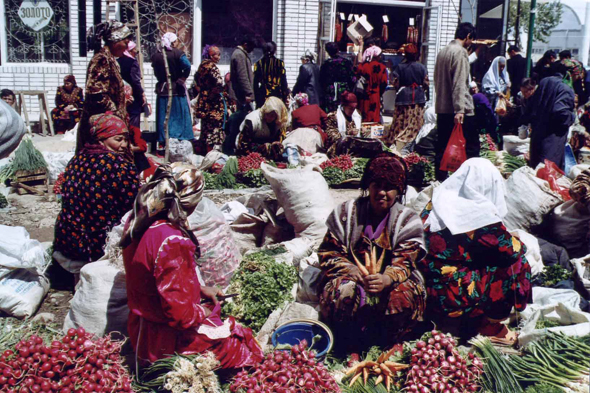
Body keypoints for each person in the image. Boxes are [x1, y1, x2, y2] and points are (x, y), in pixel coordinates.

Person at [120, 163, 264, 366]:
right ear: (192, 202)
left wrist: (199, 289)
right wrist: (204, 312)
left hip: (142, 328)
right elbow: (181, 317)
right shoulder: (171, 240)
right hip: (164, 343)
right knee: (243, 345)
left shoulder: (138, 222)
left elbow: (155, 281)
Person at [318, 153, 427, 352]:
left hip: (391, 281)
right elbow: (328, 252)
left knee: (401, 295)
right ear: (368, 186)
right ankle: (350, 344)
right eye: (377, 185)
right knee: (342, 292)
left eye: (390, 187)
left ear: (400, 190)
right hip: (353, 280)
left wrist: (387, 278)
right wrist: (349, 269)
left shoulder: (407, 220)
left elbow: (406, 261)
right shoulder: (346, 214)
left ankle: (391, 342)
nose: (382, 193)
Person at [419, 158, 531, 343]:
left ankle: (449, 322)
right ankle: (490, 325)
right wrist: (515, 240)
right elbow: (513, 250)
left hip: (429, 290)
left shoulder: (438, 201)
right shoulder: (479, 215)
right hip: (455, 298)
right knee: (518, 265)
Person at [53, 113, 139, 283]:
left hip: (68, 239)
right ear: (101, 138)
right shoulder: (120, 166)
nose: (124, 145)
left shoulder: (76, 160)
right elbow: (133, 207)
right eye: (118, 139)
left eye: (125, 139)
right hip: (98, 244)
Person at [433, 22, 479, 181]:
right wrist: (460, 109)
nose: (471, 43)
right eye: (471, 39)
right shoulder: (460, 52)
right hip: (459, 110)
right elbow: (459, 82)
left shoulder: (443, 51)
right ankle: (469, 182)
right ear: (468, 37)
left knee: (442, 148)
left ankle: (440, 182)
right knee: (472, 148)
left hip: (443, 107)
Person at [77, 21, 132, 153]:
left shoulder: (110, 60)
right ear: (115, 41)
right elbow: (96, 93)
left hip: (110, 126)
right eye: (125, 42)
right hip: (102, 128)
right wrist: (115, 113)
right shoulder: (101, 60)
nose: (127, 46)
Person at [525, 63, 575, 170]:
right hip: (552, 141)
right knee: (548, 177)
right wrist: (572, 117)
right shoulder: (564, 88)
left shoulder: (543, 83)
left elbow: (530, 107)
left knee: (536, 175)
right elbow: (560, 111)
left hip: (537, 138)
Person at [151, 32, 194, 150]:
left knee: (163, 116)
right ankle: (180, 139)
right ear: (173, 42)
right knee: (179, 116)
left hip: (162, 89)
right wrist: (183, 77)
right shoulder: (178, 54)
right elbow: (187, 66)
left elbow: (155, 70)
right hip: (176, 89)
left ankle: (162, 142)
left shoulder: (156, 55)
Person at [387, 44, 429, 147]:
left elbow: (395, 82)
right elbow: (426, 83)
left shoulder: (399, 67)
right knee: (416, 122)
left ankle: (399, 140)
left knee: (400, 123)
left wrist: (399, 88)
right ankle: (413, 142)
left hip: (403, 97)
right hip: (418, 97)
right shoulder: (422, 67)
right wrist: (424, 92)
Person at [193, 45, 229, 152]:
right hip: (213, 102)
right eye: (216, 55)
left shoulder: (202, 66)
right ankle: (210, 151)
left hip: (203, 100)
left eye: (219, 54)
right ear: (210, 55)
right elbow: (219, 82)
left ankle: (202, 149)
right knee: (213, 127)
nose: (218, 57)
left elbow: (196, 80)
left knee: (205, 125)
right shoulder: (212, 67)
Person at [225, 36, 256, 154]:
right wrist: (249, 93)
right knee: (239, 122)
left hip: (241, 95)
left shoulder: (240, 54)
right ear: (245, 44)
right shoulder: (239, 55)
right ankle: (231, 147)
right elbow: (242, 76)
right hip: (242, 96)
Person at [117, 41, 147, 129]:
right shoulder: (132, 63)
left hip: (120, 96)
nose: (136, 53)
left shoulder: (116, 62)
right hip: (133, 96)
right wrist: (142, 94)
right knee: (133, 122)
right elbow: (135, 81)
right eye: (135, 51)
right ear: (129, 51)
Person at [320, 42, 356, 113]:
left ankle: (331, 123)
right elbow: (353, 78)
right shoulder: (347, 62)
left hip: (330, 91)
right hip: (344, 90)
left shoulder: (326, 64)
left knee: (330, 112)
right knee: (343, 110)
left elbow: (321, 80)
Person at [324, 91, 362, 157]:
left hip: (354, 145)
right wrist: (347, 133)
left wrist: (362, 131)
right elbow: (331, 136)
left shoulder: (356, 115)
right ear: (344, 106)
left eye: (354, 109)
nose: (352, 111)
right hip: (338, 148)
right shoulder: (333, 117)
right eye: (350, 108)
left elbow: (358, 132)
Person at [253, 41, 289, 108]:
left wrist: (256, 98)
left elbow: (255, 83)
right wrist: (285, 96)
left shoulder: (258, 64)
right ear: (274, 50)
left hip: (263, 94)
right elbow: (283, 81)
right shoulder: (279, 63)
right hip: (277, 94)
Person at [357, 46, 388, 122]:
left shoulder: (362, 67)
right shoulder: (382, 67)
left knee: (363, 115)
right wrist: (379, 92)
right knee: (374, 116)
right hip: (375, 95)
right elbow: (384, 83)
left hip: (363, 96)